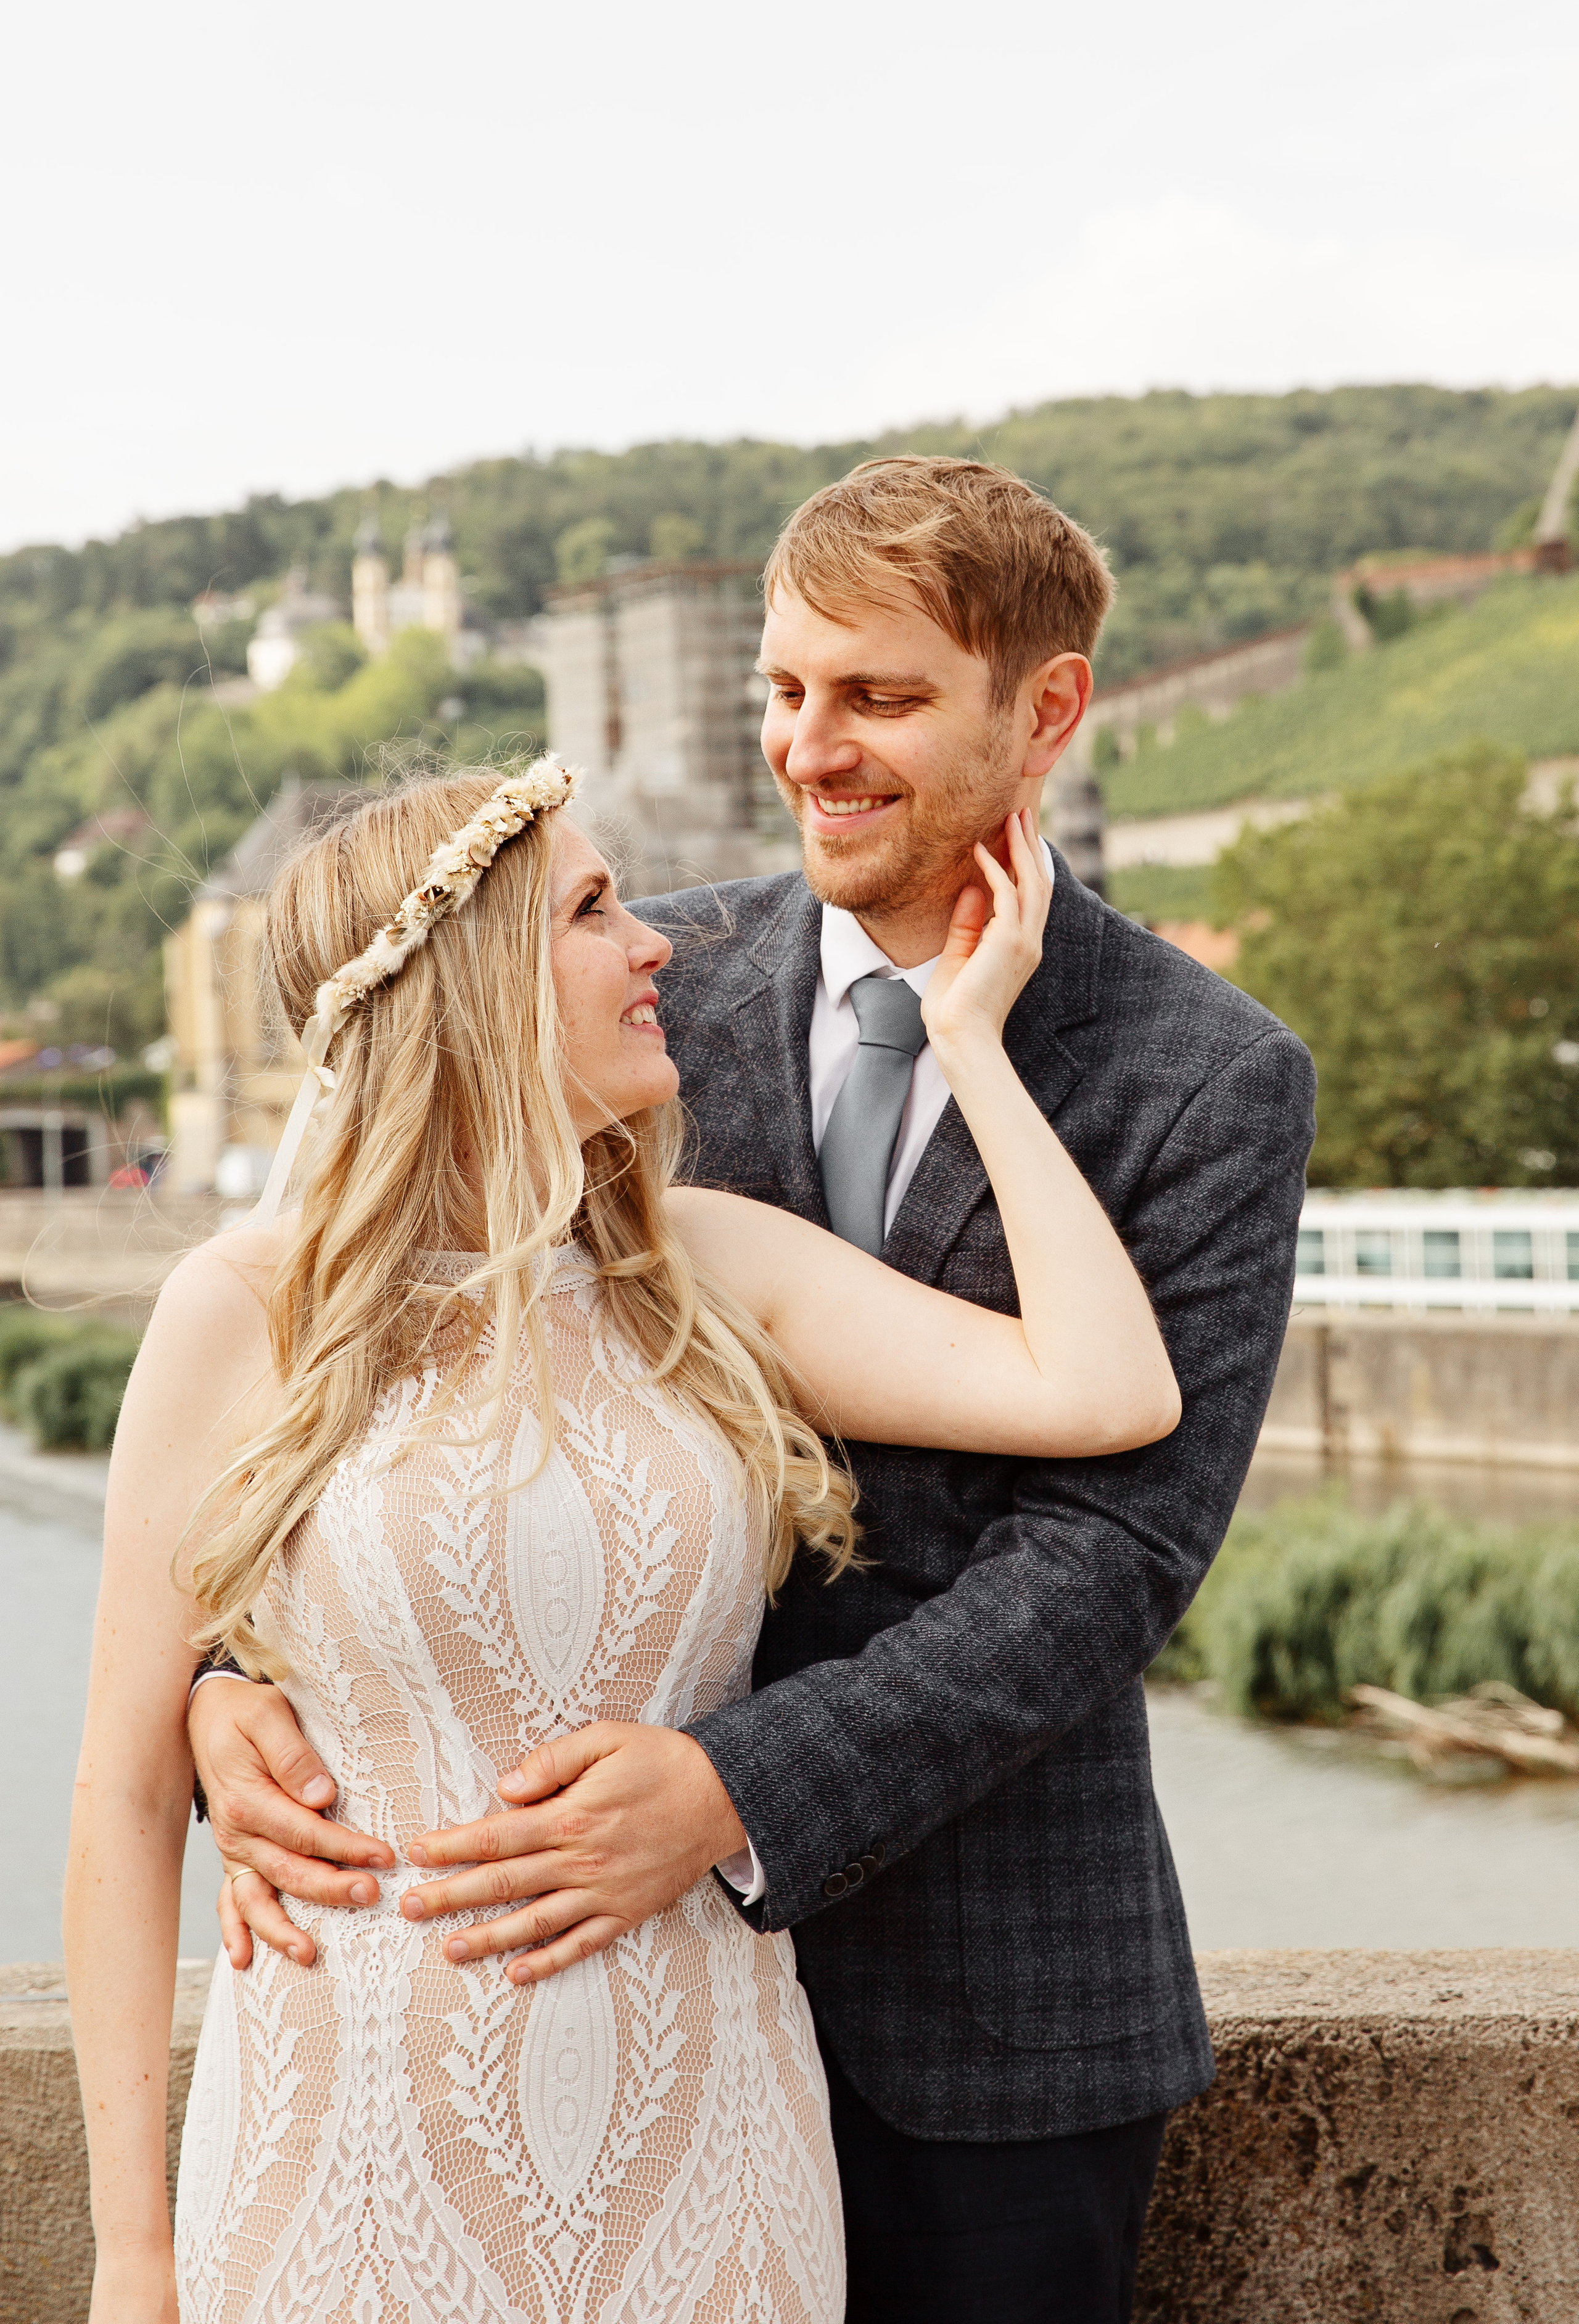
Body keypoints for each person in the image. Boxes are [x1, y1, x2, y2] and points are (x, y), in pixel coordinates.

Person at [184, 458, 1317, 2323]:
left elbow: (1118, 1551)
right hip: (583, 2006)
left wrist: (735, 1786)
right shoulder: (630, 981)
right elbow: (370, 1377)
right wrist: (245, 1688)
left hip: (999, 2027)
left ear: (1048, 712)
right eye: (784, 691)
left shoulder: (1210, 1073)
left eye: (879, 698)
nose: (814, 748)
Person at [65, 747, 1181, 2324]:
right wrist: (134, 2261)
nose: (657, 942)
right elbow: (118, 1800)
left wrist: (971, 1042)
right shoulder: (249, 1310)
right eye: (595, 909)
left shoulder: (702, 1267)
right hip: (348, 2147)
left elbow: (1106, 1386)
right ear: (470, 989)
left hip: (711, 2146)